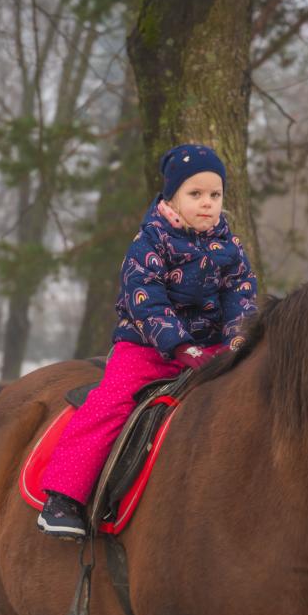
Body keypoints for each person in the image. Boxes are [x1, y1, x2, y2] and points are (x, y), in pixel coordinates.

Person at [36, 143, 258, 539]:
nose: (207, 203)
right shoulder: (151, 242)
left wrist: (237, 339)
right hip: (148, 347)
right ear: (171, 197)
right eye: (195, 193)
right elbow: (146, 299)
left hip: (209, 351)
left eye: (215, 194)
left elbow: (239, 296)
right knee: (110, 402)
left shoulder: (230, 248)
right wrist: (179, 345)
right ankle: (63, 496)